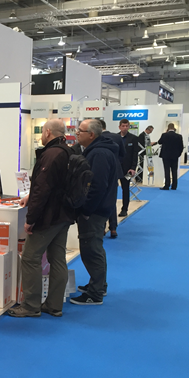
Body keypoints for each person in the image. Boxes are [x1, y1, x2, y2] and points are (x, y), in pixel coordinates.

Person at [7, 119, 74, 318]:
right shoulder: (68, 151)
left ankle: (31, 305)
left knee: (30, 257)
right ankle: (54, 305)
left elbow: (42, 190)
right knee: (58, 258)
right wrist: (30, 197)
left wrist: (30, 219)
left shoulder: (51, 154)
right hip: (64, 215)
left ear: (47, 132)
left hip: (49, 217)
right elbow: (51, 186)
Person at [71, 119, 120, 305]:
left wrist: (86, 210)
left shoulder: (99, 153)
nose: (77, 133)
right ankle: (98, 285)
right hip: (100, 208)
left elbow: (96, 186)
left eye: (80, 131)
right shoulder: (100, 151)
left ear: (91, 134)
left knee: (91, 249)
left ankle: (95, 292)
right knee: (94, 248)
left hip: (95, 211)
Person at [101, 119, 125, 238]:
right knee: (112, 199)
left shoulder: (97, 138)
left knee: (100, 200)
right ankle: (113, 228)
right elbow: (122, 154)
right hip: (114, 172)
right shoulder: (117, 137)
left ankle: (102, 227)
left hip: (101, 172)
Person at [117, 118, 139, 218]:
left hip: (127, 169)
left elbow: (135, 155)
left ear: (129, 127)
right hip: (116, 167)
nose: (125, 128)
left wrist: (133, 168)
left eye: (127, 126)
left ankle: (124, 209)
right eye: (123, 126)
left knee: (125, 189)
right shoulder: (115, 137)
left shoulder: (133, 138)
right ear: (119, 127)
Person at [153, 123, 184, 190]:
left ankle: (167, 185)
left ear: (168, 128)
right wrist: (178, 154)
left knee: (167, 170)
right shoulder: (179, 136)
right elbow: (181, 147)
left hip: (166, 156)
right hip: (175, 156)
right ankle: (174, 186)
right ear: (174, 128)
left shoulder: (164, 135)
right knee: (174, 171)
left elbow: (160, 142)